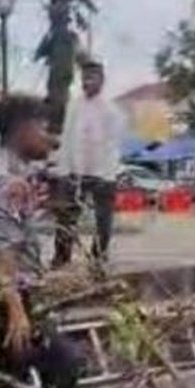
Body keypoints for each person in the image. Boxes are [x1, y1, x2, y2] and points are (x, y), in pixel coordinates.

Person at [0, 94, 81, 388]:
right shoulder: (7, 180)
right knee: (67, 362)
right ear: (23, 129)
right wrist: (16, 310)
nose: (50, 137)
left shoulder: (14, 172)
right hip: (12, 297)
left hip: (15, 294)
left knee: (11, 380)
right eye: (44, 127)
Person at [53, 58, 126, 267]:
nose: (87, 82)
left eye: (92, 77)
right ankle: (61, 259)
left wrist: (109, 174)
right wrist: (63, 170)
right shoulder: (74, 105)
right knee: (65, 218)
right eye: (84, 78)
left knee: (102, 221)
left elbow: (114, 145)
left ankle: (98, 259)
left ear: (102, 80)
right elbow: (67, 137)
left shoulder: (111, 110)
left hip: (103, 174)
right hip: (73, 171)